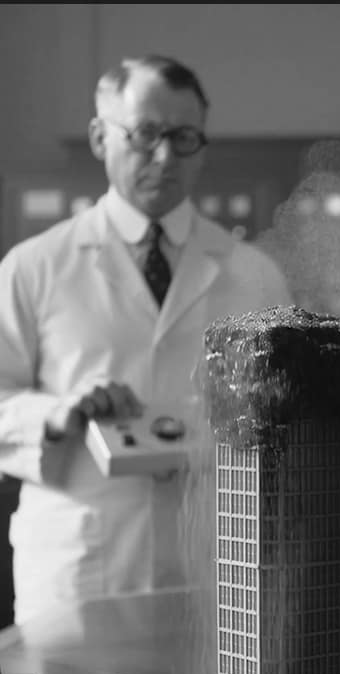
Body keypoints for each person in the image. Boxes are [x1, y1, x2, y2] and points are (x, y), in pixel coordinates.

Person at [0, 54, 291, 624]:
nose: (164, 157)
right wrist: (57, 413)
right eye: (145, 134)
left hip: (216, 563)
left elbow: (284, 421)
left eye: (184, 138)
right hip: (84, 563)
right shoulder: (33, 267)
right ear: (99, 136)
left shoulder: (254, 275)